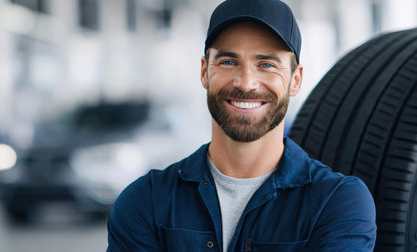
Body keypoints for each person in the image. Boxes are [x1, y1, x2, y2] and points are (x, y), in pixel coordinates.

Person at [106, 0, 377, 251]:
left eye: (267, 64)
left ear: (296, 80)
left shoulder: (337, 202)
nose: (246, 83)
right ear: (204, 72)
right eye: (228, 61)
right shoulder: (146, 201)